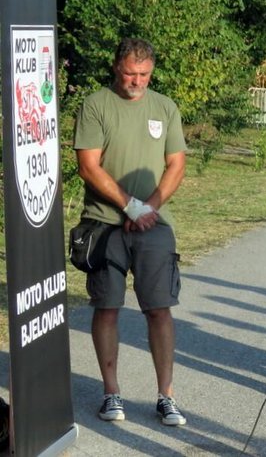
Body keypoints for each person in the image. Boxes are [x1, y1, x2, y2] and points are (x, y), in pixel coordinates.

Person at [73, 37, 187, 426]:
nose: (136, 81)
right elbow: (89, 166)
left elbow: (176, 165)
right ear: (115, 67)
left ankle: (167, 396)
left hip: (153, 225)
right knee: (107, 307)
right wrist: (129, 206)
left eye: (143, 74)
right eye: (128, 73)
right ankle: (111, 392)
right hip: (104, 224)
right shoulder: (96, 104)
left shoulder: (165, 107)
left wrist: (148, 208)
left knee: (160, 309)